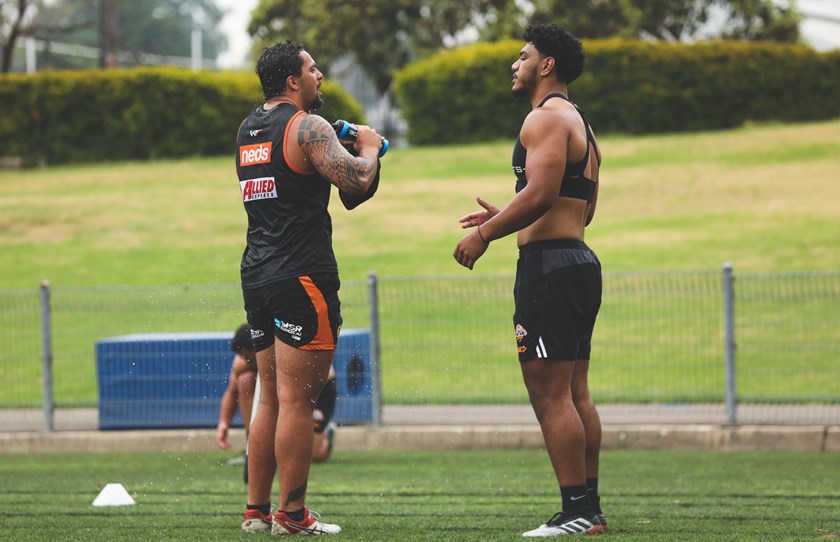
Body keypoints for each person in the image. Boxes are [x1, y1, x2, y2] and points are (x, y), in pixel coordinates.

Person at [453, 23, 606, 537]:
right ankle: (590, 509)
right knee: (576, 390)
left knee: (549, 393)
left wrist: (488, 234)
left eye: (523, 57)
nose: (514, 65)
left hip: (549, 269)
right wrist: (513, 213)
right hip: (580, 260)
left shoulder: (541, 120)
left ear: (547, 66)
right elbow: (579, 207)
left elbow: (540, 193)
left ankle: (576, 512)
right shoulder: (580, 122)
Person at [235, 40, 384, 535]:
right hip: (302, 276)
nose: (320, 75)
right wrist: (366, 146)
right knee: (300, 400)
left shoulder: (248, 129)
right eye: (313, 68)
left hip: (257, 273)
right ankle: (292, 516)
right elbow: (357, 183)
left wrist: (352, 152)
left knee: (270, 398)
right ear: (293, 80)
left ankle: (255, 513)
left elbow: (336, 192)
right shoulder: (309, 126)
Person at [215, 324, 337, 482]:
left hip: (314, 390)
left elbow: (307, 386)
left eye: (250, 358)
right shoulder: (243, 363)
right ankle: (252, 444)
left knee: (311, 454)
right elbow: (232, 392)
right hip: (279, 391)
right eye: (243, 357)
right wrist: (224, 423)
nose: (246, 361)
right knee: (244, 381)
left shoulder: (287, 355)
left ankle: (326, 435)